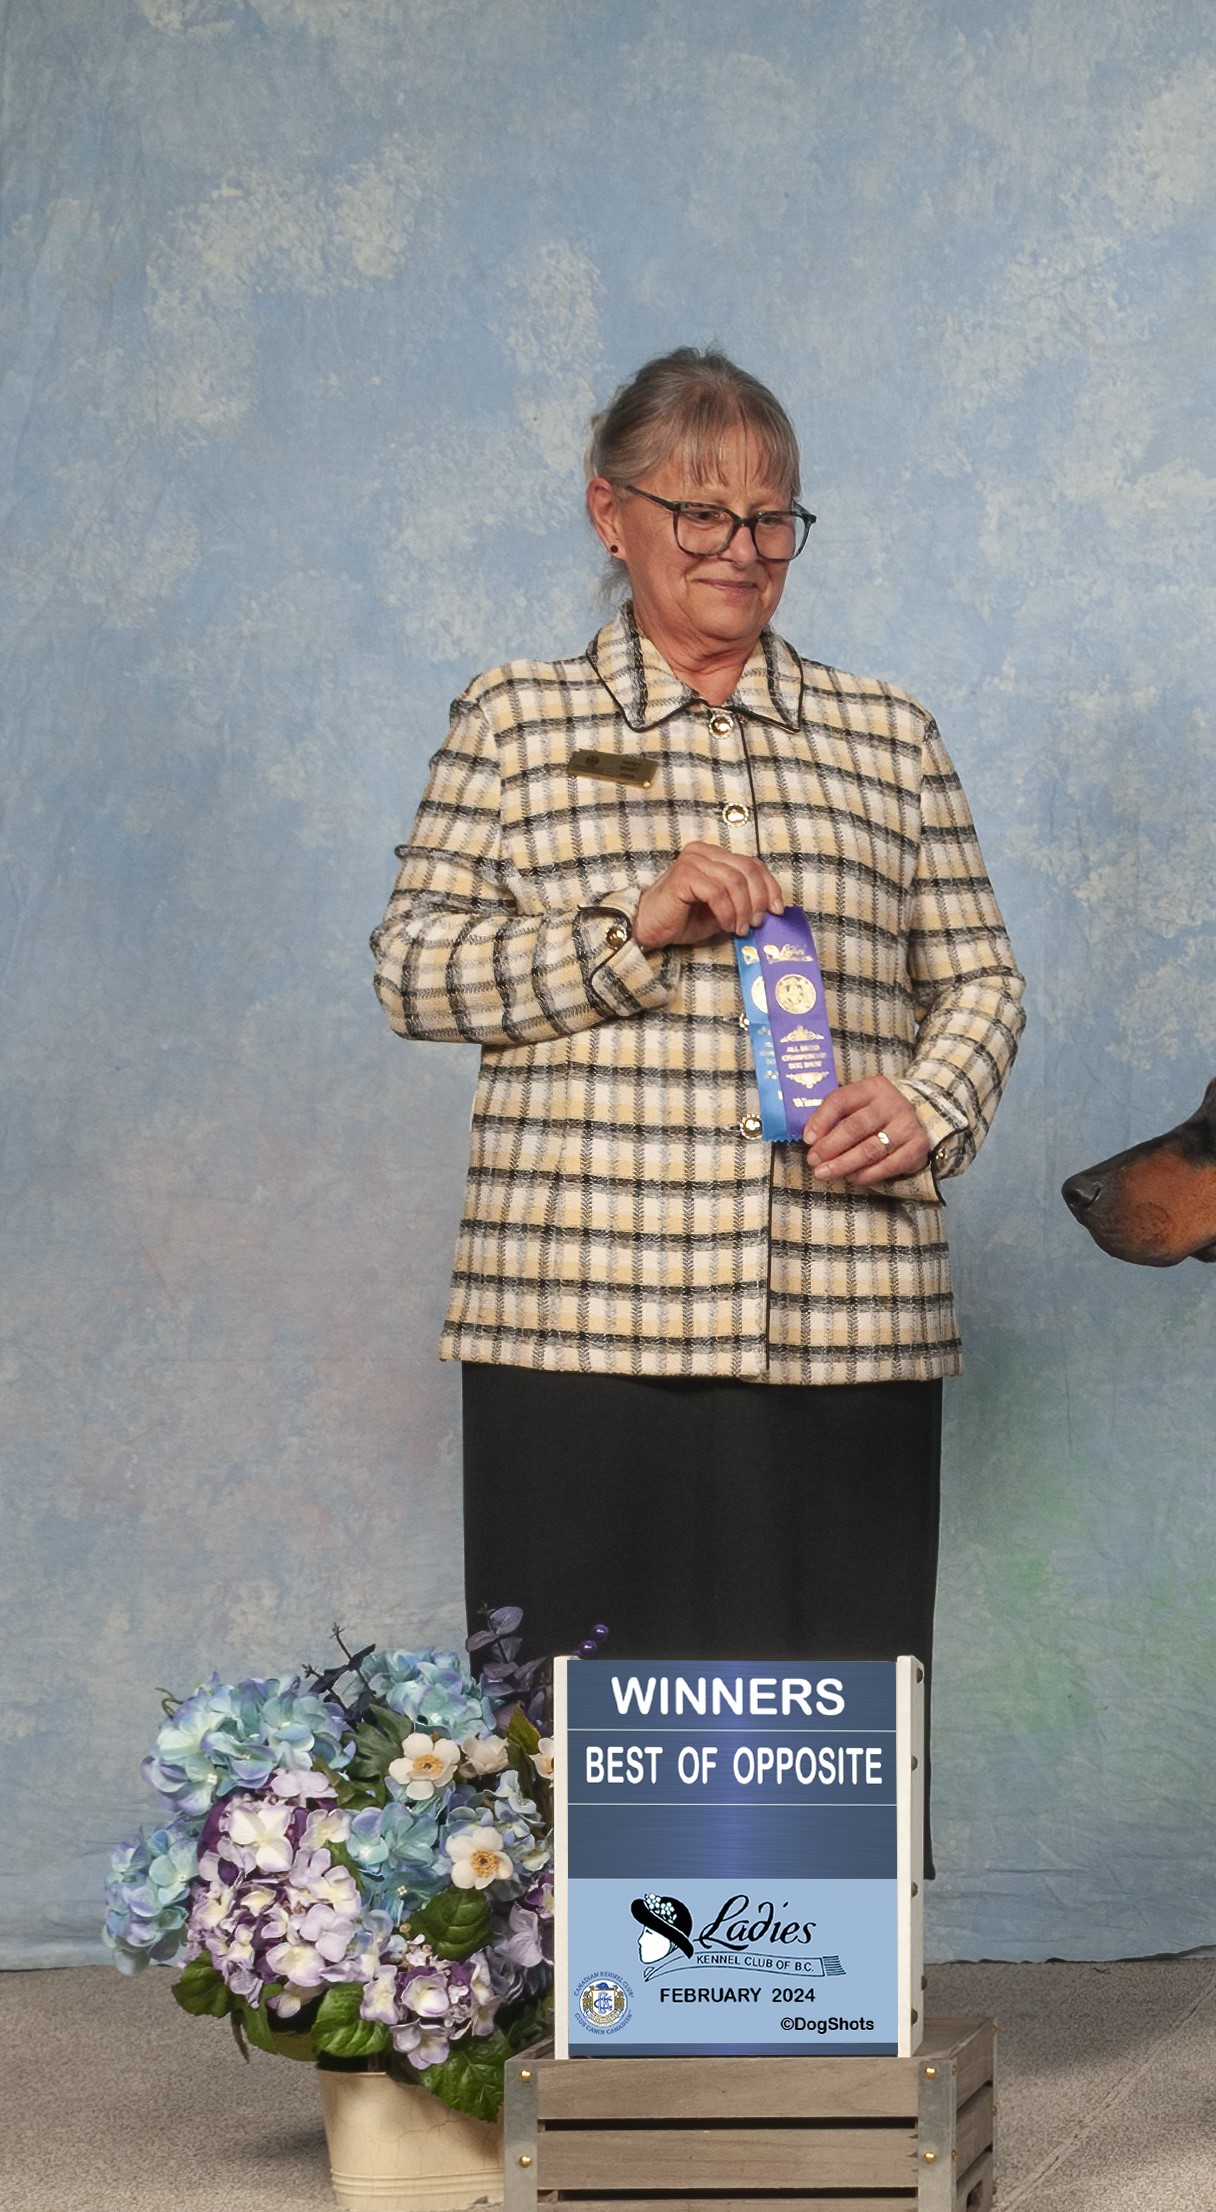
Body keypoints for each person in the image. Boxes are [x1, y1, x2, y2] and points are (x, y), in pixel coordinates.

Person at [373, 347, 1024, 1683]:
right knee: (573, 1746)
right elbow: (414, 969)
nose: (742, 547)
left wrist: (928, 1099)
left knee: (826, 1739)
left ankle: (809, 1914)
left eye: (771, 516)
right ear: (612, 516)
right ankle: (577, 1912)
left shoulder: (888, 731)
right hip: (573, 1316)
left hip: (846, 1319)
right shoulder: (515, 719)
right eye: (702, 511)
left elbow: (979, 978)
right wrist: (629, 931)